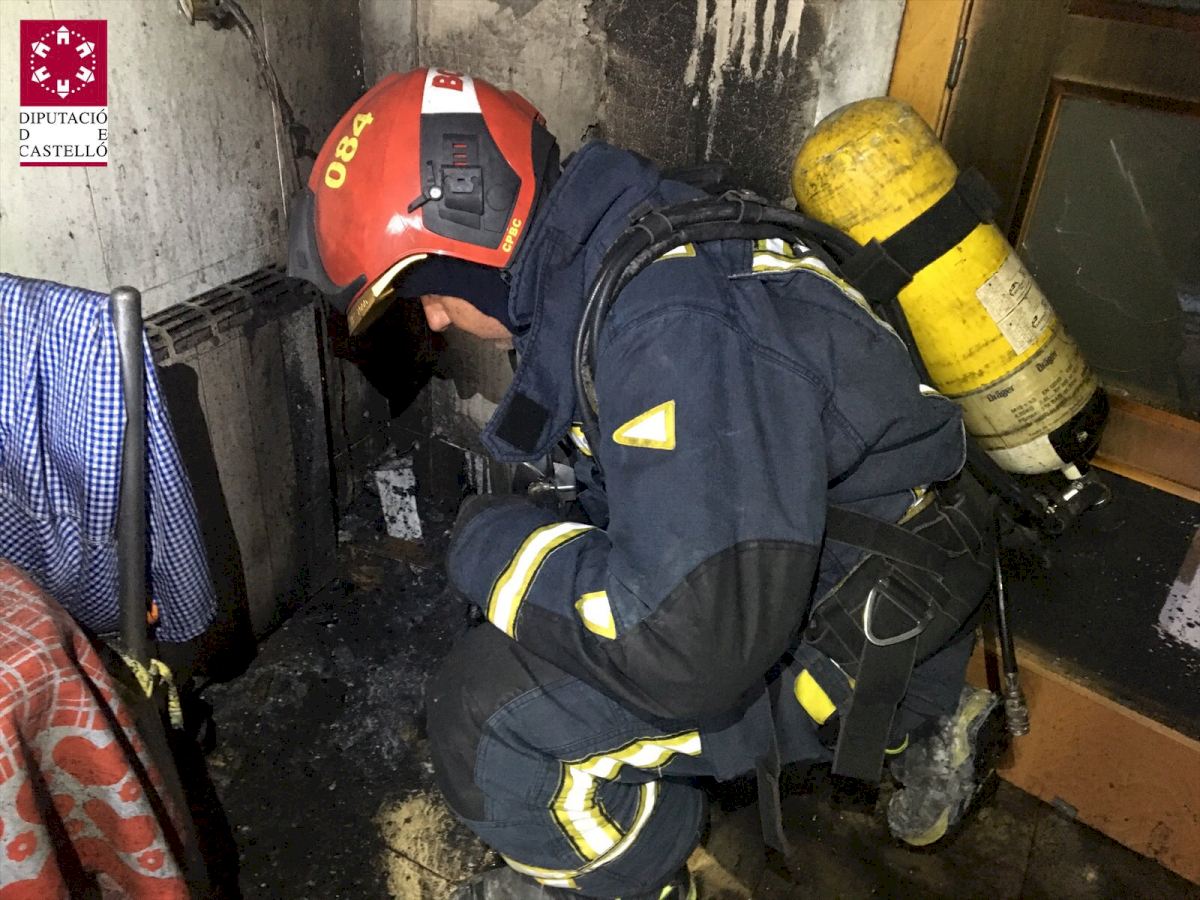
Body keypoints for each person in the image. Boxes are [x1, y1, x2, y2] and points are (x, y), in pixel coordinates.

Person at [289, 67, 1003, 900]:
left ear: (472, 246)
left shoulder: (667, 324)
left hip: (858, 608)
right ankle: (927, 710)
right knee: (542, 592)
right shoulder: (616, 242)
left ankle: (645, 873)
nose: (437, 318)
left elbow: (690, 647)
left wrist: (485, 545)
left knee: (484, 721)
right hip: (855, 548)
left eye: (427, 290)